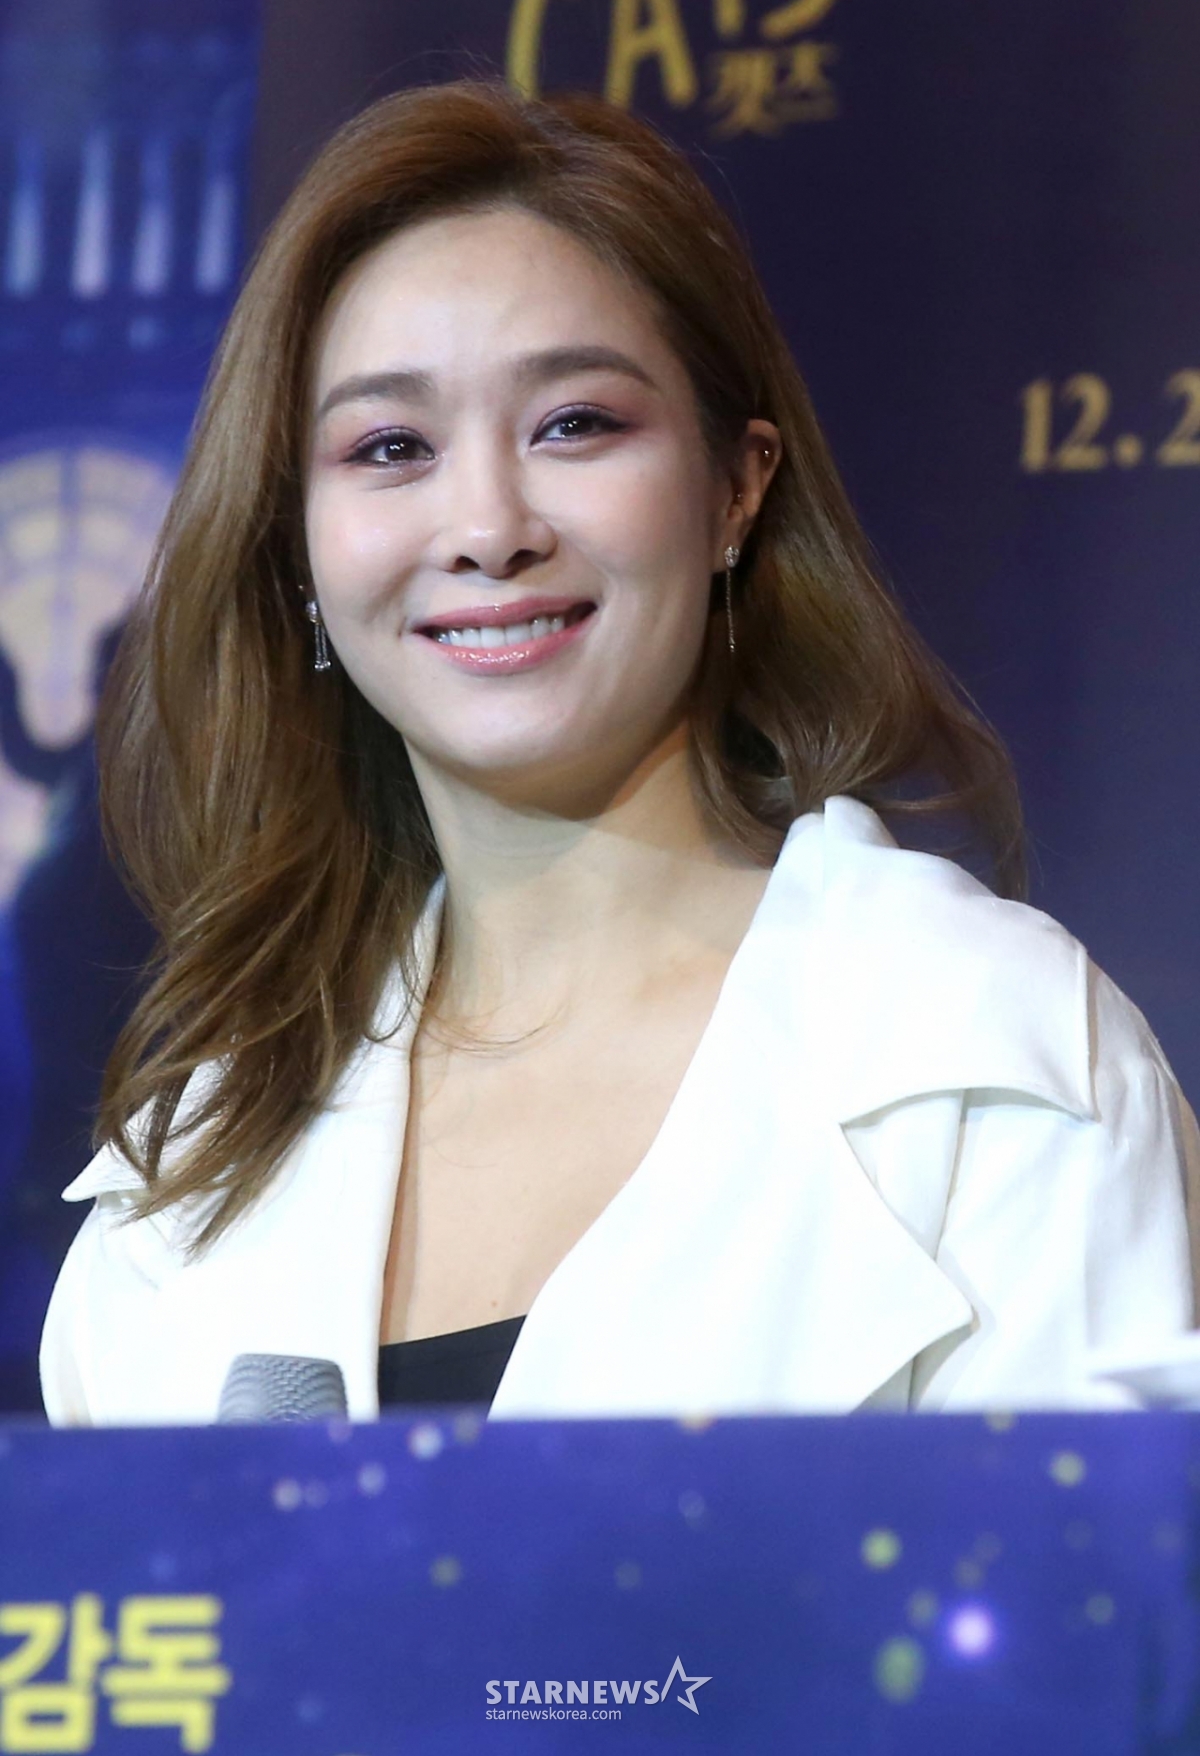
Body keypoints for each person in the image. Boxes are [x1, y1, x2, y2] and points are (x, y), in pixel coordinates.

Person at [39, 79, 1200, 1426]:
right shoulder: (186, 1171)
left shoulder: (991, 1061)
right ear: (295, 546)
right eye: (392, 446)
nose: (488, 527)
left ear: (736, 488)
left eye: (575, 424)